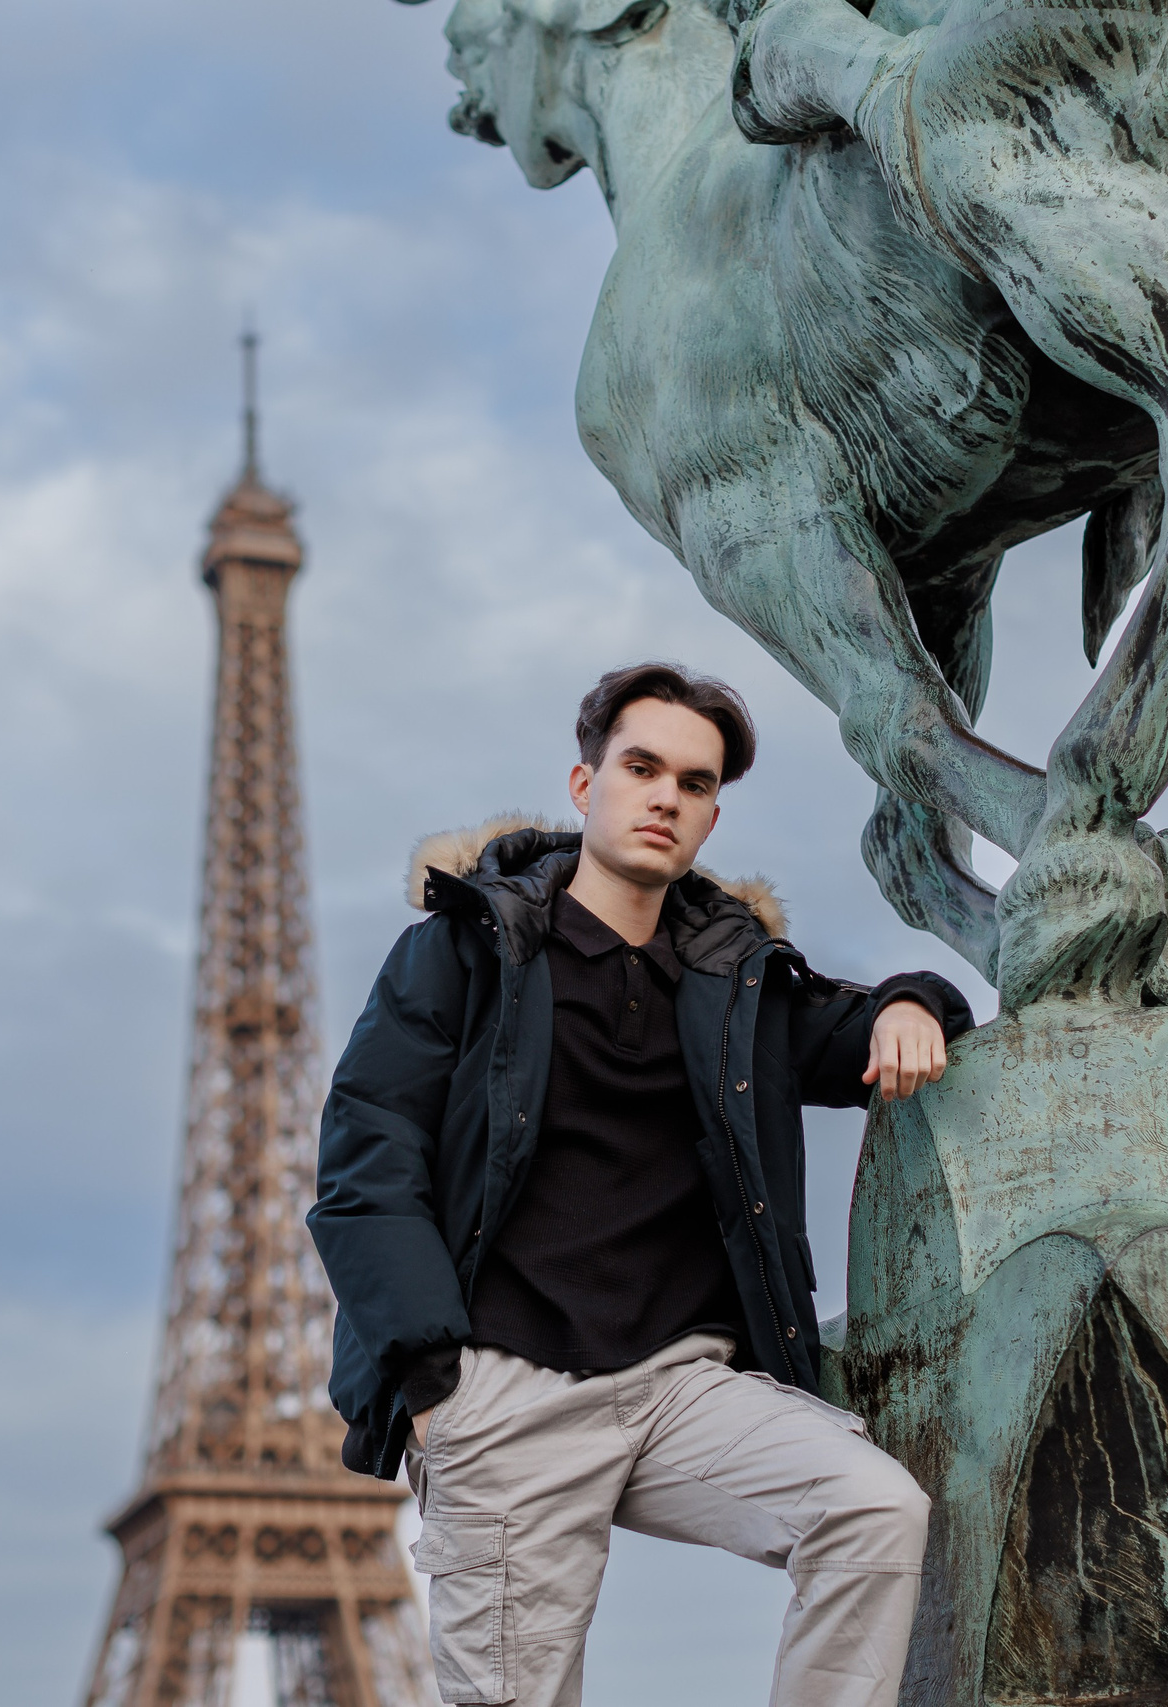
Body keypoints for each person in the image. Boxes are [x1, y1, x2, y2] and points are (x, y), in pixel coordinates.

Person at [308, 661, 975, 1707]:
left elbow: (858, 1027)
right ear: (586, 787)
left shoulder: (729, 979)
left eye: (696, 783)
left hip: (680, 1391)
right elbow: (366, 1157)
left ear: (710, 816)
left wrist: (915, 997)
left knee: (873, 1511)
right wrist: (432, 1379)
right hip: (504, 1391)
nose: (666, 796)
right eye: (642, 766)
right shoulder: (463, 954)